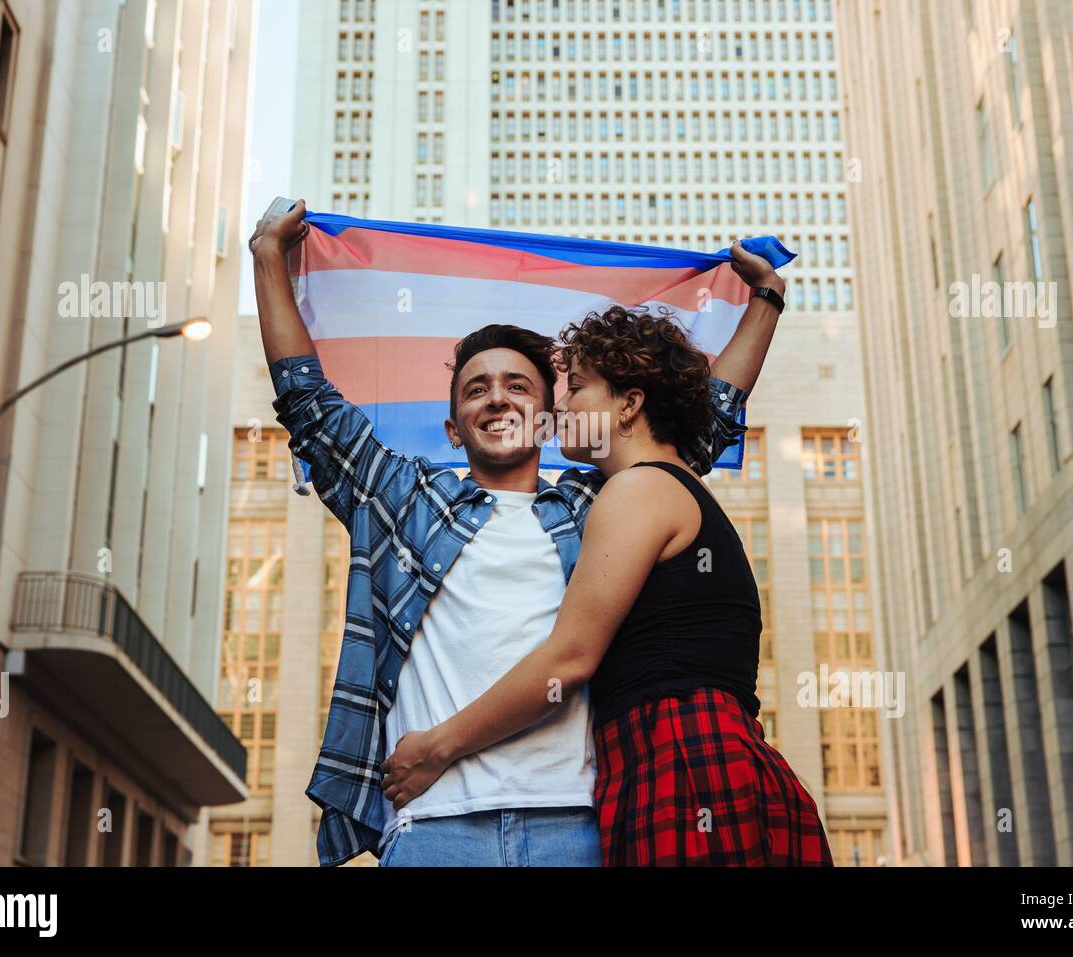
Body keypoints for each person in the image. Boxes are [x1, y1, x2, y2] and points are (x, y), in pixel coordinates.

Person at [248, 199, 783, 866]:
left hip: (579, 826)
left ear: (548, 420)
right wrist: (268, 257)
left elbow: (700, 422)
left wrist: (765, 300)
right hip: (434, 823)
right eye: (475, 389)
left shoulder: (602, 503)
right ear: (452, 429)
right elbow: (310, 407)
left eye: (518, 386)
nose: (496, 397)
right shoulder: (402, 499)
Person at [381, 303, 833, 866]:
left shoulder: (637, 490)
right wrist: (764, 304)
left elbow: (570, 659)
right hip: (696, 757)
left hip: (682, 763)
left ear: (629, 404)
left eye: (577, 389)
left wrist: (436, 746)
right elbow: (706, 411)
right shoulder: (665, 480)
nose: (560, 407)